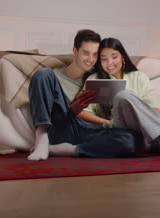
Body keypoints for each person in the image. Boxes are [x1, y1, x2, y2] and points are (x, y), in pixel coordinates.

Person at [27, 30, 136, 161]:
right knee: (43, 73)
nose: (90, 60)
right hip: (63, 128)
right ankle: (41, 139)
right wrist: (75, 107)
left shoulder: (96, 78)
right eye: (86, 53)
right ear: (75, 51)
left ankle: (68, 150)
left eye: (95, 55)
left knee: (129, 140)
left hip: (91, 132)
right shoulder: (52, 78)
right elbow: (59, 118)